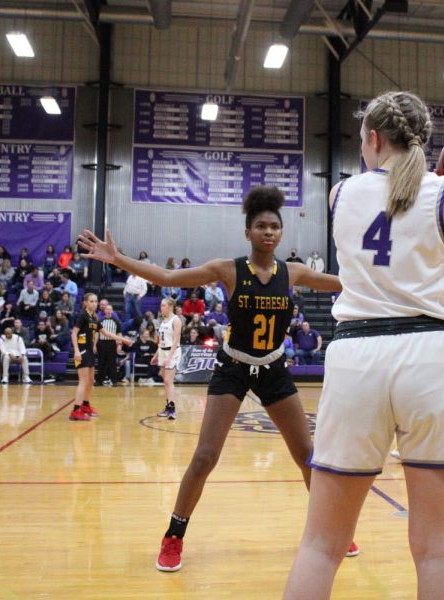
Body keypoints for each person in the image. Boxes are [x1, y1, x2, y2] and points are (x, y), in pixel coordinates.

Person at [283, 91, 444, 600]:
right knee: (438, 551)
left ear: (373, 139)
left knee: (320, 547)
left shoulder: (340, 194)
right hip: (429, 357)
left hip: (355, 355)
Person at [77, 185, 346, 574]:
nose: (268, 232)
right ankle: (173, 535)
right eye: (260, 226)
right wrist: (118, 260)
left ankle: (330, 531)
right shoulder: (228, 269)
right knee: (205, 456)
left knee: (308, 456)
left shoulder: (294, 273)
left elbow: (346, 283)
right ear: (248, 232)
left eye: (274, 226)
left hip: (272, 369)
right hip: (233, 367)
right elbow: (168, 277)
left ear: (281, 233)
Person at [69, 293, 130, 420]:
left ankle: (85, 405)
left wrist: (123, 339)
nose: (94, 304)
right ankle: (75, 411)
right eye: (91, 301)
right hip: (81, 350)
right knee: (83, 381)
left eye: (96, 301)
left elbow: (106, 333)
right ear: (85, 302)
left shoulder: (95, 318)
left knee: (91, 381)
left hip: (90, 351)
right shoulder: (83, 316)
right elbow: (74, 333)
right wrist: (76, 351)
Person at [153, 298, 182, 418]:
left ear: (170, 307)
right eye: (161, 305)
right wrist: (156, 355)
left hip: (173, 352)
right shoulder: (163, 320)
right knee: (165, 382)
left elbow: (176, 340)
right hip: (162, 351)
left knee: (168, 381)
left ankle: (172, 409)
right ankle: (168, 406)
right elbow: (161, 341)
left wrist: (169, 356)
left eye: (163, 305)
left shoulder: (176, 320)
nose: (161, 307)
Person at [97, 303, 125, 386]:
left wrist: (119, 344)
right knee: (101, 363)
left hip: (112, 343)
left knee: (112, 363)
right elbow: (97, 334)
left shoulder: (116, 321)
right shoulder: (100, 321)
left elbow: (119, 333)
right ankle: (99, 380)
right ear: (104, 311)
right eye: (107, 309)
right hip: (101, 343)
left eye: (110, 309)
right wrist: (95, 345)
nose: (108, 311)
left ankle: (114, 380)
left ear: (112, 311)